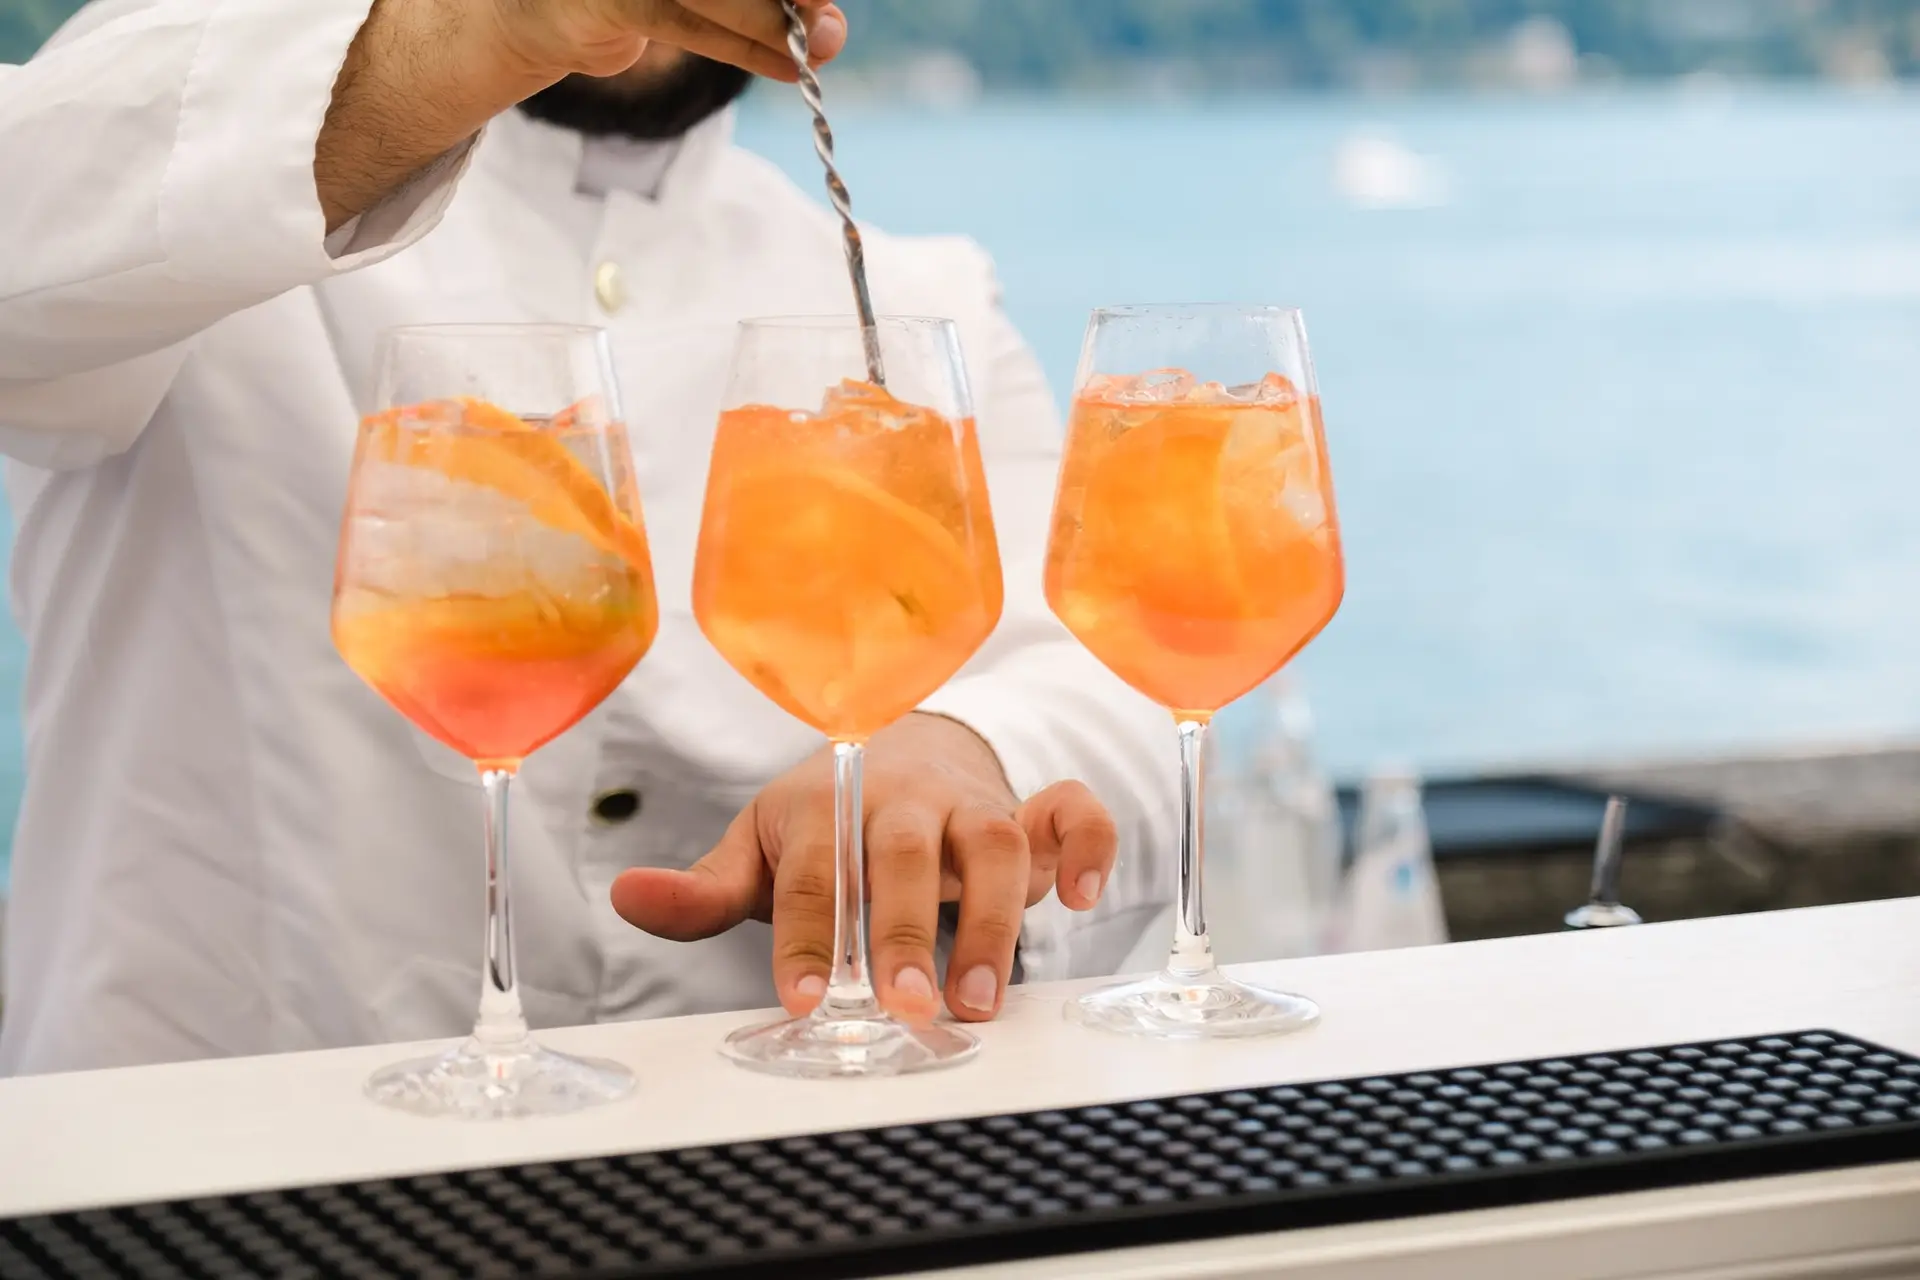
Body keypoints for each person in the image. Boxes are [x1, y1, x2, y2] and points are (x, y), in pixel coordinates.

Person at [0, 0, 1177, 1075]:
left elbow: (1107, 669)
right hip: (204, 1143)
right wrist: (463, 39)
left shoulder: (924, 299)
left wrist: (965, 742)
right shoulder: (182, 115)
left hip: (762, 1159)